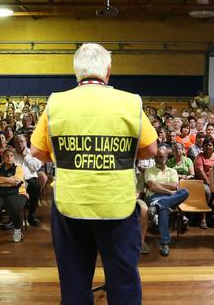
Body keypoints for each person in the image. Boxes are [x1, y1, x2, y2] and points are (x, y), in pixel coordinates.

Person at [30, 43, 157, 305]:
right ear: (107, 71)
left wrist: (66, 158)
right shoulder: (130, 101)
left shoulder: (56, 102)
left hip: (70, 205)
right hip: (117, 205)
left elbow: (37, 151)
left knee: (74, 282)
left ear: (76, 72)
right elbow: (150, 149)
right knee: (123, 281)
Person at [145, 147, 189, 256]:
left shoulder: (173, 171)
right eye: (156, 157)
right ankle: (164, 243)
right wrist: (170, 192)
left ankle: (158, 206)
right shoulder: (149, 170)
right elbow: (152, 186)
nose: (158, 159)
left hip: (167, 198)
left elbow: (174, 186)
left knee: (185, 191)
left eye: (161, 157)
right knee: (164, 209)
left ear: (166, 157)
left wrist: (158, 184)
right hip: (155, 197)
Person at [13, 134, 43, 225]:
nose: (20, 144)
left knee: (35, 187)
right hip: (16, 181)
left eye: (22, 141)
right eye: (17, 142)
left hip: (30, 180)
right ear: (14, 144)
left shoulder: (32, 152)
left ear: (26, 142)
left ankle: (32, 214)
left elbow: (35, 167)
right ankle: (13, 218)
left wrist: (26, 156)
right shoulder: (11, 154)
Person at [194, 137, 214, 229]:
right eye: (206, 145)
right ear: (202, 147)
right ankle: (203, 218)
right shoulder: (199, 157)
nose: (208, 147)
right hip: (202, 182)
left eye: (210, 145)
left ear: (213, 147)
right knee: (207, 192)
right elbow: (200, 171)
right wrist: (209, 183)